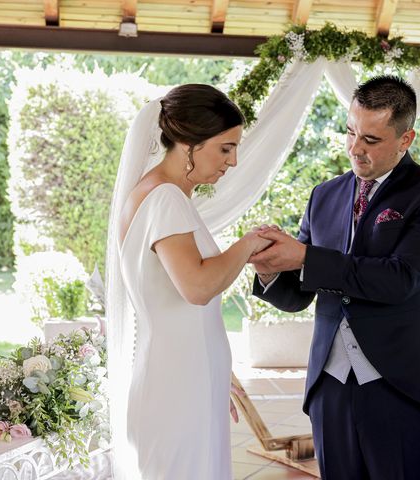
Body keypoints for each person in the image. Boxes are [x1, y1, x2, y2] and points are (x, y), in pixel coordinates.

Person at [250, 75, 420, 479]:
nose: (355, 148)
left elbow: (400, 279)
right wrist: (269, 271)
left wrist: (304, 256)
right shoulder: (324, 194)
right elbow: (300, 292)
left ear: (406, 139)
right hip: (329, 388)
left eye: (371, 139)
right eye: (350, 131)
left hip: (405, 387)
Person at [106, 84, 272, 479]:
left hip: (185, 374)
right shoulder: (164, 198)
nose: (232, 162)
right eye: (225, 148)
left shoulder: (159, 194)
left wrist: (215, 370)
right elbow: (195, 288)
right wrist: (248, 244)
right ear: (187, 144)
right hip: (177, 384)